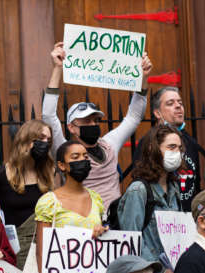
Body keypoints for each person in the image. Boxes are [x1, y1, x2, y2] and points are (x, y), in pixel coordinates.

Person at [42, 42, 152, 209]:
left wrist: (143, 78)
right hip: (82, 223)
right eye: (86, 121)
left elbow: (134, 117)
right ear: (71, 127)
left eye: (95, 120)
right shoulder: (64, 149)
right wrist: (57, 68)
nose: (92, 124)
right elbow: (49, 116)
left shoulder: (109, 144)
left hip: (115, 224)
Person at [0, 119, 54, 269]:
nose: (45, 143)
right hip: (18, 250)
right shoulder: (1, 174)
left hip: (46, 246)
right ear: (26, 140)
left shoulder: (48, 171)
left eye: (48, 140)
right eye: (40, 138)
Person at [118, 125, 184, 273]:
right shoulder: (138, 190)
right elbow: (132, 240)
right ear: (153, 149)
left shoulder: (174, 188)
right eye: (171, 147)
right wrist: (161, 272)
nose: (177, 152)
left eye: (179, 148)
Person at [35, 140, 108, 273]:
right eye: (75, 157)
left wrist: (102, 232)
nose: (82, 160)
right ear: (62, 166)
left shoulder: (96, 199)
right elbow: (42, 252)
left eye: (85, 157)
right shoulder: (49, 202)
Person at [133, 86, 200, 212]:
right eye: (170, 103)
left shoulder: (190, 142)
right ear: (158, 113)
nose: (178, 106)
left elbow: (196, 183)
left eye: (180, 102)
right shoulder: (147, 142)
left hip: (187, 217)